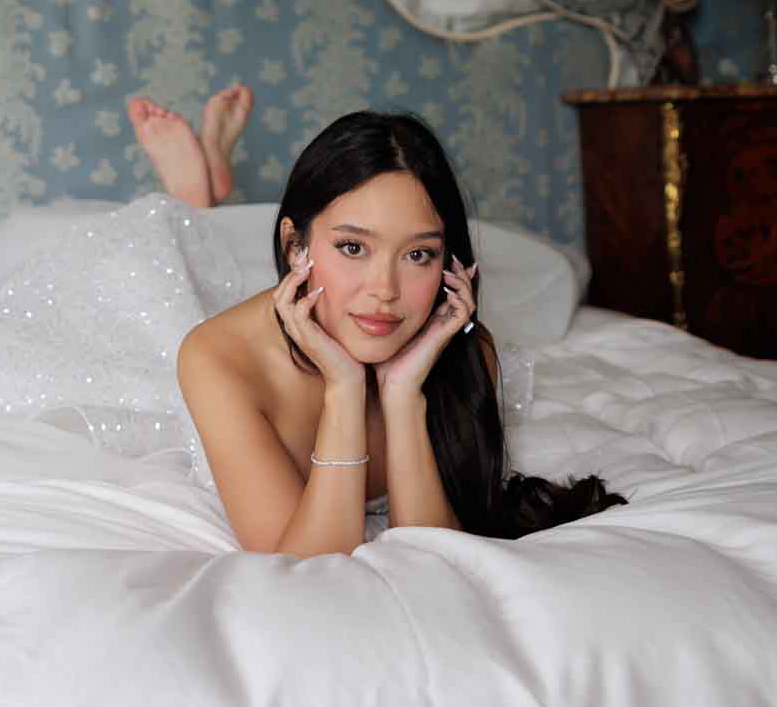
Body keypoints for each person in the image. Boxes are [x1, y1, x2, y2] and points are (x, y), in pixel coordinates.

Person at [125, 89, 624, 557]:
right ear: (295, 246)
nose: (385, 290)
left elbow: (428, 556)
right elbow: (303, 566)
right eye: (352, 247)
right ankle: (193, 198)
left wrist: (404, 395)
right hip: (236, 340)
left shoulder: (466, 349)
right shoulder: (218, 358)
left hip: (323, 312)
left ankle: (211, 194)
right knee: (174, 287)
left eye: (418, 254)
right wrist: (343, 390)